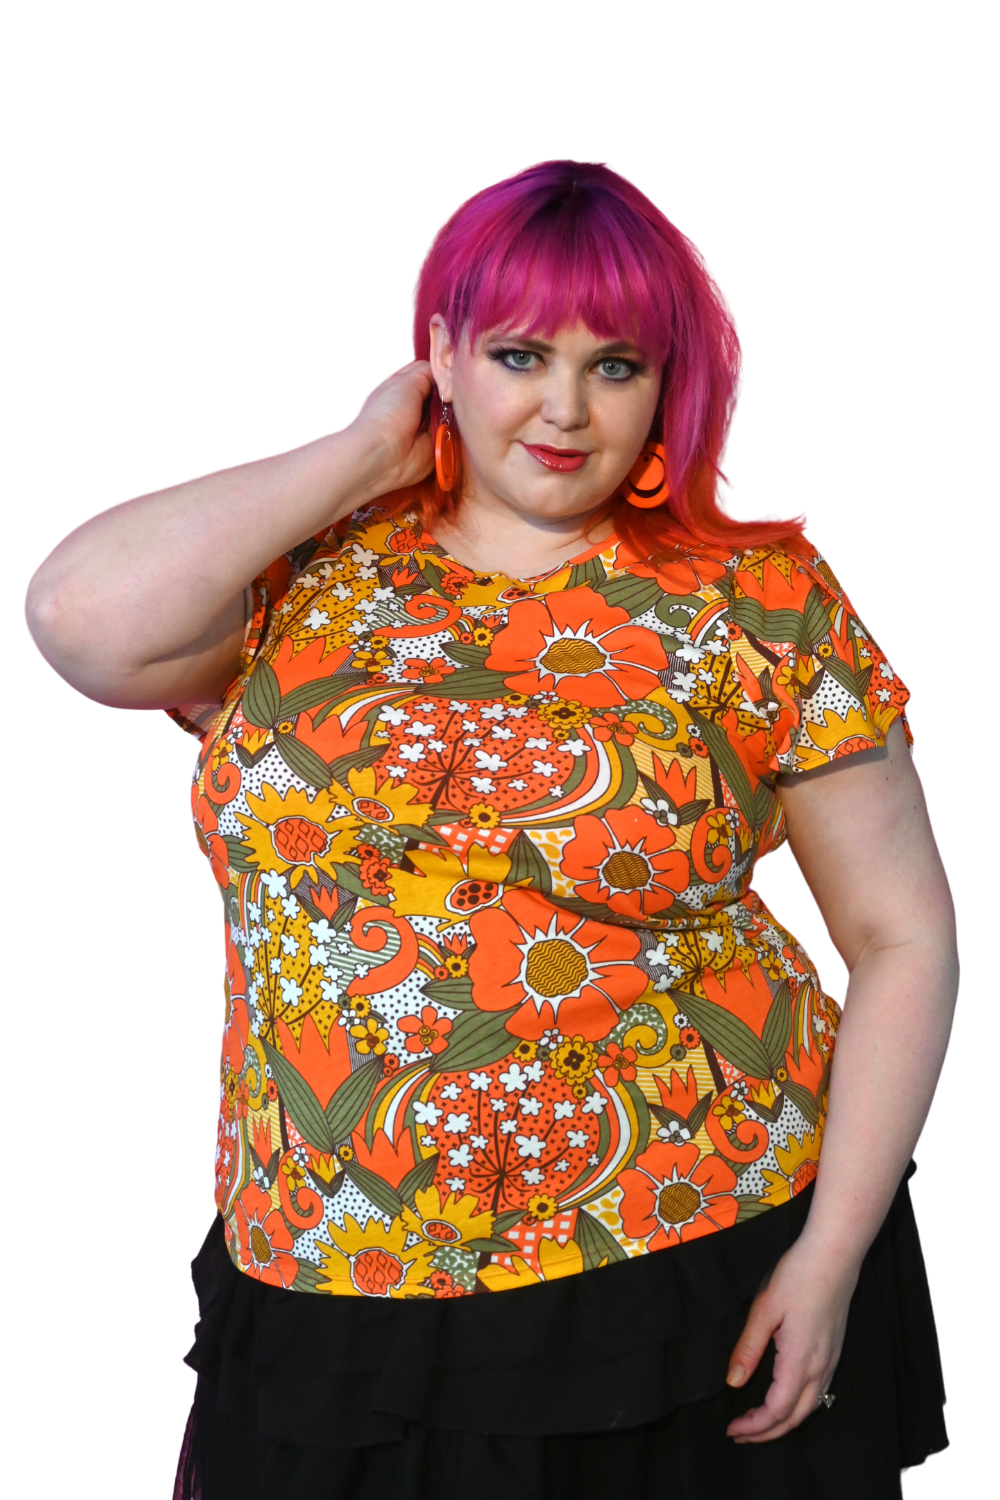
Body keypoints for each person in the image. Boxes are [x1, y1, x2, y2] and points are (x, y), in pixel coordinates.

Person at [25, 160, 956, 1500]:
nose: (566, 409)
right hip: (332, 1258)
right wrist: (362, 454)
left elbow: (903, 934)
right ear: (441, 356)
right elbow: (79, 620)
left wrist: (833, 1255)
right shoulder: (303, 573)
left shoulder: (756, 599)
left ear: (668, 385)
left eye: (617, 365)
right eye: (519, 353)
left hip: (690, 1255)